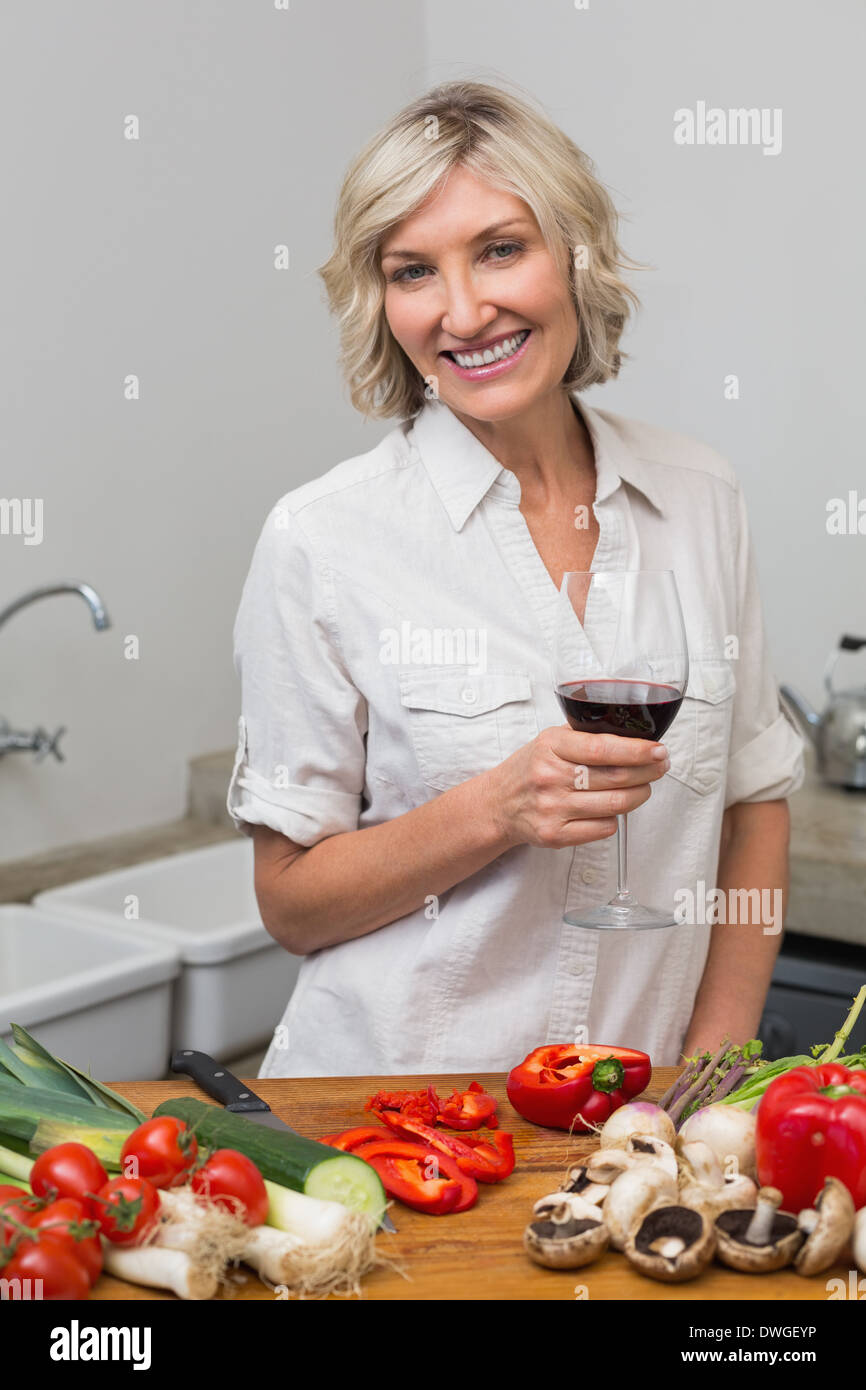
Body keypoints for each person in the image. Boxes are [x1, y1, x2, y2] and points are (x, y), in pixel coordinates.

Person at [227, 79, 804, 1078]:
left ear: (573, 255)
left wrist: (709, 1085)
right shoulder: (321, 540)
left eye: (500, 248)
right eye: (413, 271)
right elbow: (290, 903)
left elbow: (752, 798)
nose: (462, 310)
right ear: (384, 305)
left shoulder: (700, 494)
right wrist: (490, 811)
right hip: (394, 1126)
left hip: (634, 1128)